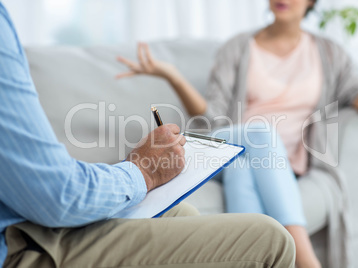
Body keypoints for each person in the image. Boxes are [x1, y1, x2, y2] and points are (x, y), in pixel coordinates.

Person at [0, 3, 297, 268]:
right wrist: (143, 171)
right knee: (272, 233)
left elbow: (346, 90)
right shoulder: (239, 47)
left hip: (289, 154)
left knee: (184, 213)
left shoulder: (326, 52)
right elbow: (58, 195)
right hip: (15, 246)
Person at [116, 0, 358, 267]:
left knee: (243, 169)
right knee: (260, 135)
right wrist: (172, 76)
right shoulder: (238, 47)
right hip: (229, 144)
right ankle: (306, 260)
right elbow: (212, 117)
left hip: (274, 163)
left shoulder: (329, 53)